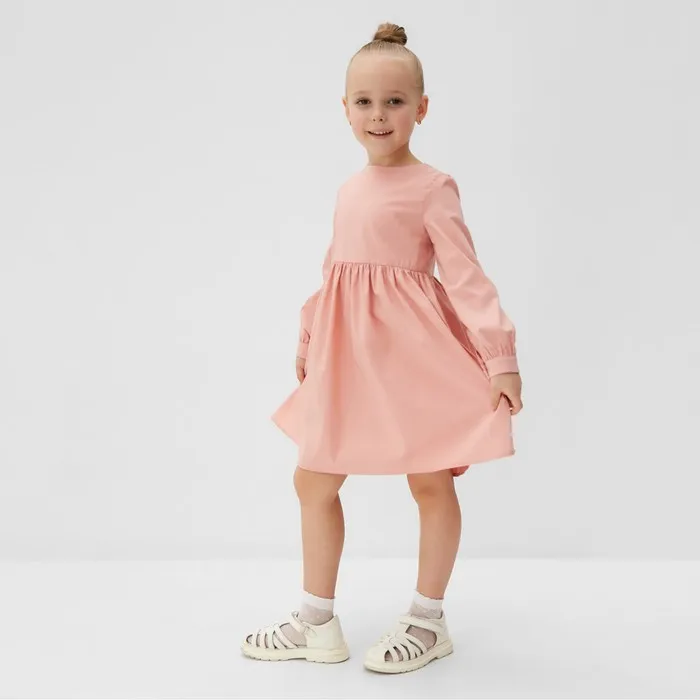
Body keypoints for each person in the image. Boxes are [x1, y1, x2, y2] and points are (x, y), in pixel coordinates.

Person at [241, 21, 524, 675]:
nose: (378, 115)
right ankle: (316, 621)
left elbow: (466, 276)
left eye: (394, 101)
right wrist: (309, 335)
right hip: (347, 359)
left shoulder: (433, 187)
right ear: (345, 109)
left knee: (429, 479)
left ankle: (428, 618)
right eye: (364, 102)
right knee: (313, 477)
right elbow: (335, 271)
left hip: (413, 358)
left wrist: (500, 357)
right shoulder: (349, 189)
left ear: (421, 109)